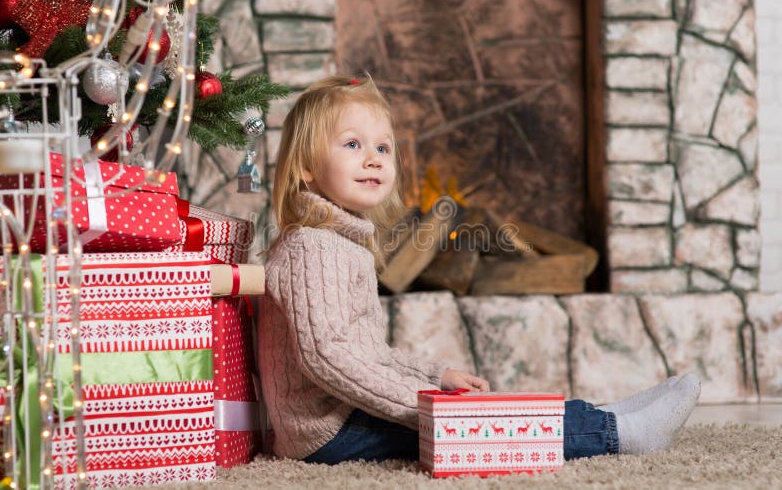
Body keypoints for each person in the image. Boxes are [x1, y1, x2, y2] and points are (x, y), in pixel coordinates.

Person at [256, 74, 701, 466]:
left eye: (383, 147)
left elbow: (368, 355)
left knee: (480, 408)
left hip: (345, 411)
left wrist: (435, 378)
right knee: (480, 424)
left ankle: (608, 415)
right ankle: (616, 433)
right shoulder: (311, 247)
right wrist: (421, 405)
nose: (373, 158)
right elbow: (327, 358)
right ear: (308, 168)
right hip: (328, 431)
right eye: (353, 144)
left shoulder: (340, 243)